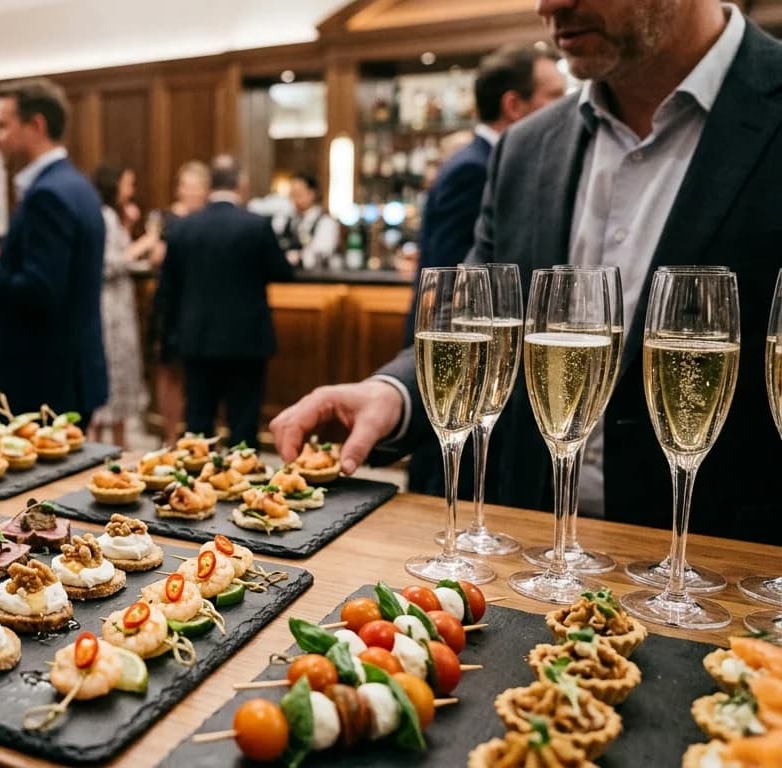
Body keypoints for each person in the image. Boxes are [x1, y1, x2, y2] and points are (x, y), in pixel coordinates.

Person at [271, 0, 782, 545]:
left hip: (728, 568)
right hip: (529, 556)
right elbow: (476, 324)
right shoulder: (526, 144)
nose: (548, 6)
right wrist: (393, 394)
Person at [402, 43, 566, 496]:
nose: (566, 106)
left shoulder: (478, 159)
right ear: (514, 105)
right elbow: (455, 281)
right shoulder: (474, 167)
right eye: (555, 96)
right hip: (458, 349)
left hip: (474, 354)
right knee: (447, 474)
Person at [0, 78, 107, 422]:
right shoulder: (75, 184)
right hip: (68, 370)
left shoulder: (47, 194)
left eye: (1, 126)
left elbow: (40, 290)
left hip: (42, 379)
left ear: (36, 125)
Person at [160, 157, 292, 448]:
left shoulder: (184, 227)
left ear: (210, 185)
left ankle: (195, 476)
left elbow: (168, 287)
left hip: (197, 338)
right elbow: (283, 272)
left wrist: (169, 338)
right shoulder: (257, 226)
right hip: (246, 339)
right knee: (243, 426)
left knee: (198, 426)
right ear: (241, 184)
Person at [91, 163, 159, 447]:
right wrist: (146, 241)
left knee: (119, 383)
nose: (131, 190)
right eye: (128, 183)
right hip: (109, 310)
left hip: (119, 305)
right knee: (110, 376)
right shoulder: (104, 216)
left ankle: (119, 446)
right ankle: (98, 446)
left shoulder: (112, 217)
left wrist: (128, 227)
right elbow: (108, 263)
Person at [151, 160, 211, 445]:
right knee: (169, 370)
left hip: (202, 303)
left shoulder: (210, 220)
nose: (190, 192)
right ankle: (170, 436)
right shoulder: (169, 220)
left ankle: (195, 438)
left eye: (195, 186)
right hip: (172, 303)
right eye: (186, 186)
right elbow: (156, 257)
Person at [275, 171, 340, 268]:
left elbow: (322, 252)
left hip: (314, 275)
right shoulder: (285, 220)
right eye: (291, 194)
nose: (294, 199)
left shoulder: (326, 222)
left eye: (298, 194)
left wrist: (298, 257)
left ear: (312, 194)